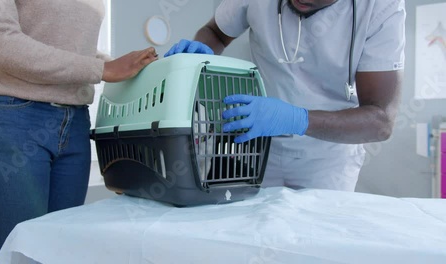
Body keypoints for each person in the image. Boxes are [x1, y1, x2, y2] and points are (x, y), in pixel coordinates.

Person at [0, 1, 157, 263]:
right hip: (14, 119)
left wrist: (126, 67)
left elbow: (73, 49)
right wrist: (102, 70)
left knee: (59, 253)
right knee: (18, 256)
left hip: (75, 122)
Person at [165, 0, 405, 191]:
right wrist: (200, 53)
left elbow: (381, 121)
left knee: (311, 244)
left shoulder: (381, 7)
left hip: (327, 158)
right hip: (257, 146)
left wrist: (296, 119)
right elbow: (216, 32)